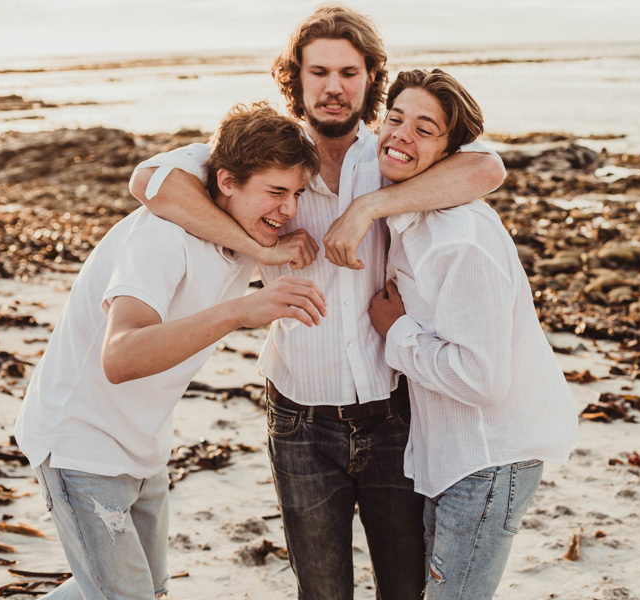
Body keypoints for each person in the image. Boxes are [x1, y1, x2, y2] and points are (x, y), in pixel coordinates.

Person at [127, 5, 506, 599]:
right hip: (299, 418)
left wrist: (367, 208)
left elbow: (487, 166)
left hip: (395, 415)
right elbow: (149, 182)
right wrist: (261, 245)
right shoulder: (265, 154)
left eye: (349, 73)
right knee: (322, 592)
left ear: (370, 80)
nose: (334, 87)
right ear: (296, 80)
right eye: (319, 72)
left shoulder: (392, 158)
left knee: (406, 588)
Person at [14, 103, 325, 600]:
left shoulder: (244, 234)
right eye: (275, 192)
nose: (289, 210)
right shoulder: (162, 237)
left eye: (297, 194)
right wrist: (241, 311)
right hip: (81, 443)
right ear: (225, 181)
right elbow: (120, 356)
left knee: (143, 591)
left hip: (143, 446)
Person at [367, 69, 579, 599]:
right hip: (458, 457)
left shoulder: (460, 241)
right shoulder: (412, 215)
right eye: (394, 120)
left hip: (488, 461)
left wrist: (397, 334)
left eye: (424, 129)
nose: (401, 136)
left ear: (450, 151)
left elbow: (481, 379)